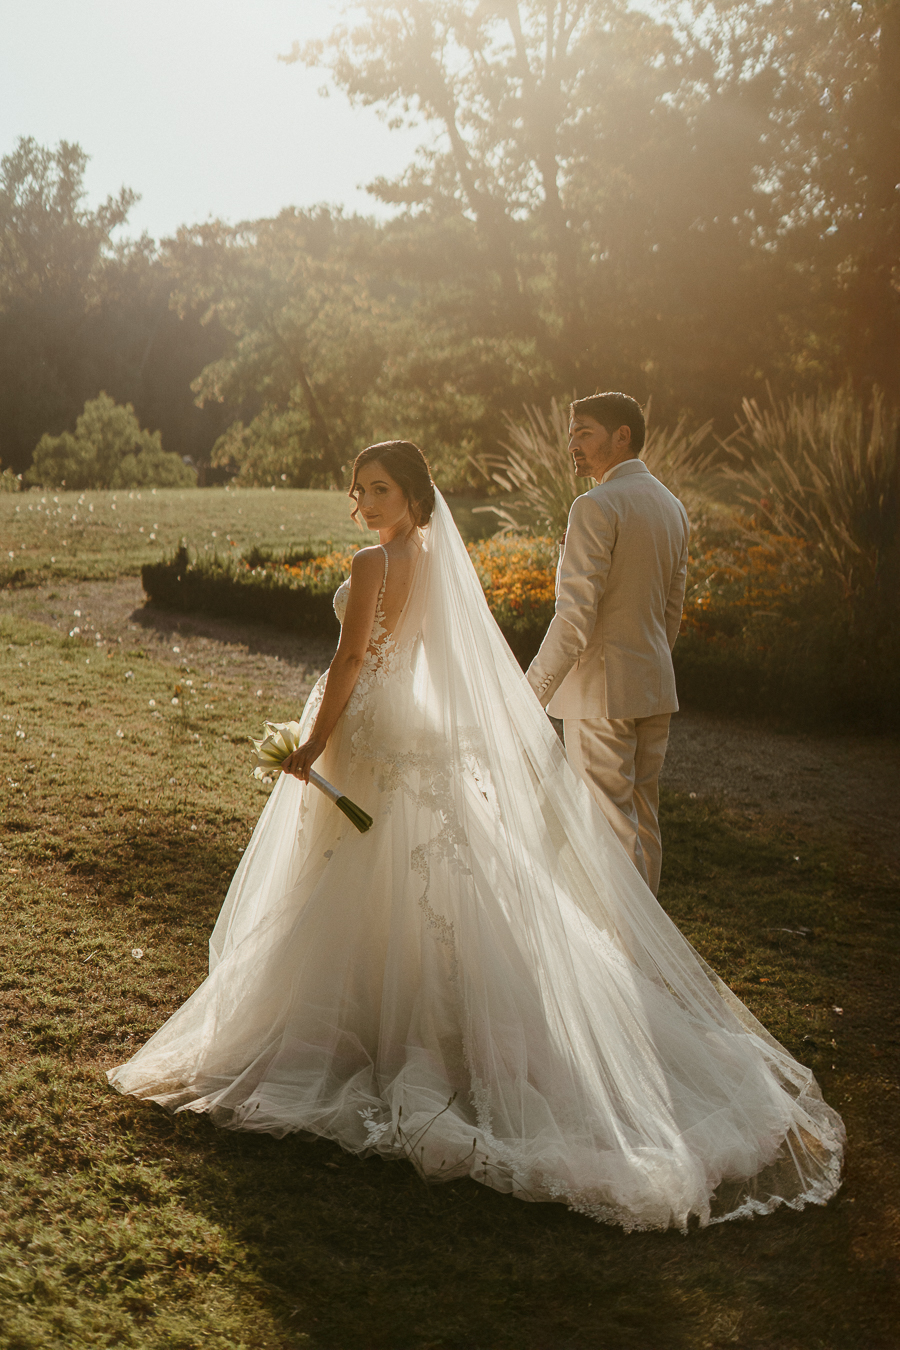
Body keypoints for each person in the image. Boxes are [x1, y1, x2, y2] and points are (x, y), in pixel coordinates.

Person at [108, 440, 843, 1233]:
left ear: (414, 494)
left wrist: (313, 744)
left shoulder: (371, 563)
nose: (364, 503)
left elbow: (352, 655)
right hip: (413, 725)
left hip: (368, 727)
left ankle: (357, 1032)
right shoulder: (434, 557)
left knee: (354, 871)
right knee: (422, 873)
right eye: (358, 490)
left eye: (379, 489)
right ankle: (397, 1022)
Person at [526, 393, 689, 895]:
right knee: (643, 822)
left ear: (623, 436)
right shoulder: (671, 505)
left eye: (585, 433)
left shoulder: (595, 505)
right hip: (652, 688)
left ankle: (626, 967)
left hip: (601, 695)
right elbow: (671, 614)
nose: (572, 444)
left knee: (607, 834)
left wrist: (529, 691)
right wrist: (648, 665)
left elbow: (574, 617)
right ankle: (647, 958)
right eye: (572, 433)